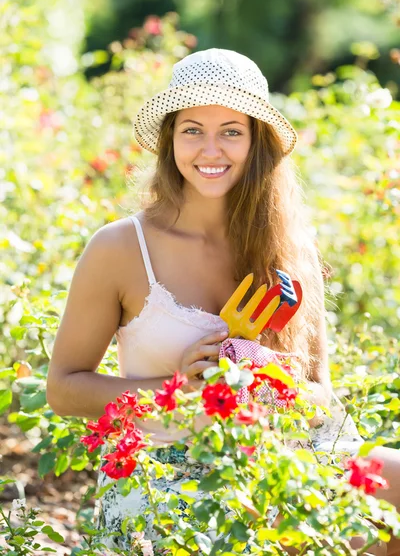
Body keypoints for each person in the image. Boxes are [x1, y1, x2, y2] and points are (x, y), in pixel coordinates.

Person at [46, 48, 399, 555]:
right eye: (192, 130)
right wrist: (177, 389)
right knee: (313, 527)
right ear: (170, 140)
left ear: (258, 142)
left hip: (281, 449)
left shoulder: (290, 245)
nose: (210, 150)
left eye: (231, 131)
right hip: (168, 467)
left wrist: (268, 383)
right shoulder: (122, 247)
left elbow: (321, 393)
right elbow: (63, 389)